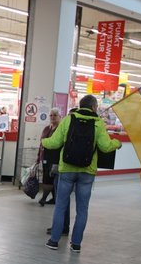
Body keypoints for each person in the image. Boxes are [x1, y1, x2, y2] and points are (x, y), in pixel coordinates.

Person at [42, 94, 122, 252]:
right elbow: (106, 147)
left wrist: (43, 141)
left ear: (80, 105)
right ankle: (76, 244)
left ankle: (54, 241)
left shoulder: (68, 119)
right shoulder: (98, 123)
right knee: (82, 209)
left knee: (60, 206)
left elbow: (55, 142)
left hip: (67, 170)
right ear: (93, 107)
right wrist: (117, 143)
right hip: (87, 171)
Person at [38, 108, 61, 205]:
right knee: (47, 177)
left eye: (55, 115)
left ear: (60, 117)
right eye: (51, 115)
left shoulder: (60, 129)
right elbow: (41, 143)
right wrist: (38, 156)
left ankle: (43, 198)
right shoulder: (47, 128)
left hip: (55, 158)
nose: (52, 117)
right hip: (45, 157)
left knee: (49, 178)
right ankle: (54, 198)